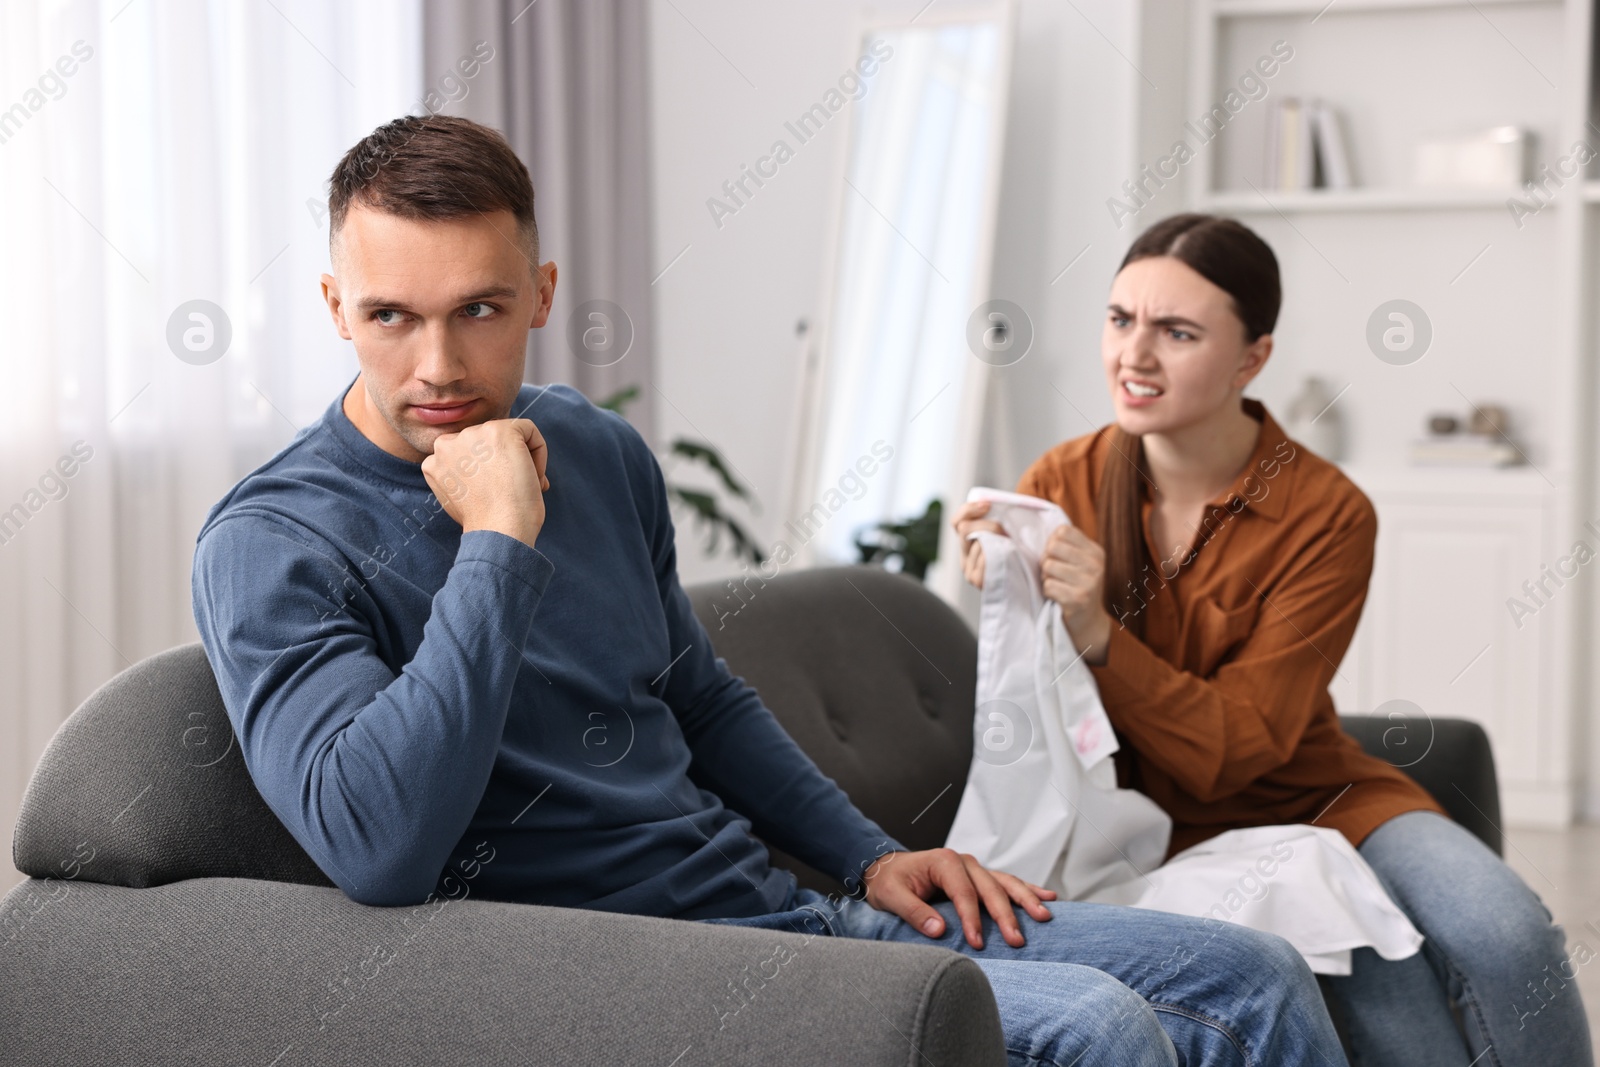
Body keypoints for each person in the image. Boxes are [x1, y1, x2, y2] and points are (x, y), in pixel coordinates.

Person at [190, 115, 1349, 1066]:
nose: (437, 367)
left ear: (541, 295)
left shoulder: (591, 449)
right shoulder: (275, 541)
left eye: (477, 312)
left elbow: (695, 692)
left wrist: (864, 856)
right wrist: (497, 537)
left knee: (1246, 970)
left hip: (780, 912)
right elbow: (377, 848)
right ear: (337, 307)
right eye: (390, 316)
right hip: (622, 972)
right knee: (1097, 1028)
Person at [953, 212, 1593, 1067]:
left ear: (1253, 357)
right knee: (1402, 1018)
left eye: (1176, 332)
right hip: (1155, 830)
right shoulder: (1059, 485)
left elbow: (1242, 746)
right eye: (1120, 319)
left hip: (1322, 797)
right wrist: (999, 572)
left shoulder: (1328, 512)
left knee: (1510, 934)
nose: (1133, 356)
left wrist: (1103, 635)